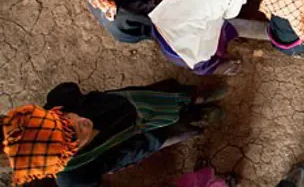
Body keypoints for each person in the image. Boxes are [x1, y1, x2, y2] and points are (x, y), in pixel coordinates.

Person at [1, 80, 223, 187]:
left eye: (64, 119)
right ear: (61, 161)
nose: (80, 124)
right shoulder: (72, 176)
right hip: (142, 139)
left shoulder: (59, 102)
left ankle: (195, 99)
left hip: (131, 101)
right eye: (70, 139)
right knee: (179, 131)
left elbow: (69, 89)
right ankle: (198, 117)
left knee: (169, 92)